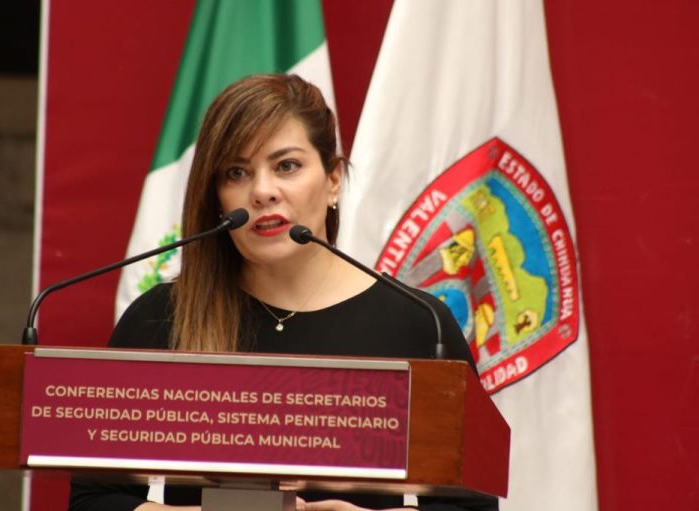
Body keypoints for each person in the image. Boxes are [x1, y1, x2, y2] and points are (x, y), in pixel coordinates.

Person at [69, 74, 495, 511]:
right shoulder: (162, 317)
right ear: (216, 197)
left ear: (333, 179)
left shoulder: (419, 323)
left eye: (286, 166)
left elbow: (473, 508)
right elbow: (92, 500)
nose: (262, 192)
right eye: (237, 172)